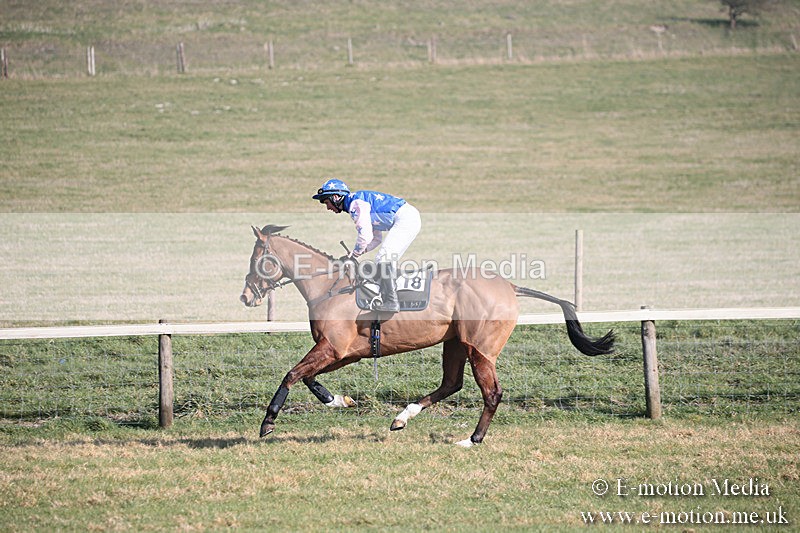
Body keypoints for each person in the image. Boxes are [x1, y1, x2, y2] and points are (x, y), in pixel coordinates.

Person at [312, 178, 421, 312]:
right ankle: (387, 296)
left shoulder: (355, 205)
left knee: (383, 258)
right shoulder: (358, 203)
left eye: (327, 202)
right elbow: (376, 239)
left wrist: (354, 254)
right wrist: (355, 254)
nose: (328, 207)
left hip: (406, 219)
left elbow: (365, 236)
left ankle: (391, 302)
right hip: (408, 217)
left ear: (336, 197)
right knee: (383, 259)